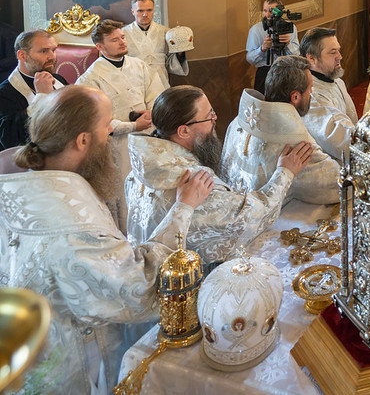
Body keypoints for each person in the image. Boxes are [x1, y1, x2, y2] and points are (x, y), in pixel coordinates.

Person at [0, 85, 212, 393]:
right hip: (70, 372)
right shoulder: (74, 225)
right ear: (82, 140)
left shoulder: (19, 187)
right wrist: (183, 207)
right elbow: (138, 285)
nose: (111, 132)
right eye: (106, 126)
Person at [126, 85, 311, 266]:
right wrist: (285, 172)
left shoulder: (138, 170)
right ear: (183, 131)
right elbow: (250, 218)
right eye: (209, 116)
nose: (215, 119)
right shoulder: (197, 183)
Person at [77, 19, 165, 231]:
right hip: (118, 145)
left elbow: (156, 92)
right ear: (100, 46)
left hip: (148, 138)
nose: (122, 42)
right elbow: (96, 118)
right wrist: (132, 126)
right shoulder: (90, 78)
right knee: (127, 194)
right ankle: (129, 235)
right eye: (114, 40)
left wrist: (152, 111)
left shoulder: (139, 65)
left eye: (122, 37)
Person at [222, 55, 340, 205]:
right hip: (270, 216)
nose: (312, 93)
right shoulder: (296, 143)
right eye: (310, 89)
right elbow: (337, 184)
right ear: (295, 97)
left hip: (233, 206)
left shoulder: (237, 122)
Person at [0, 30, 67, 150]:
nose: (52, 57)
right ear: (22, 55)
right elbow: (10, 140)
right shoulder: (4, 93)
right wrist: (42, 96)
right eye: (44, 51)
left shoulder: (58, 79)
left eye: (53, 50)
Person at [299, 27, 358, 162]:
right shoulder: (311, 96)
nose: (340, 56)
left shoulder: (337, 81)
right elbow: (339, 140)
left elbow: (351, 118)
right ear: (311, 58)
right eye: (333, 52)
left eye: (338, 50)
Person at [122, 0, 189, 89]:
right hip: (135, 85)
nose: (145, 14)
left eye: (149, 10)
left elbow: (171, 62)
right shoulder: (123, 34)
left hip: (161, 84)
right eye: (140, 11)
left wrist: (180, 52)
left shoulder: (166, 32)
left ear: (153, 10)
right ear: (133, 11)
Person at [245, 0, 300, 95]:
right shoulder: (256, 30)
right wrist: (262, 49)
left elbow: (297, 54)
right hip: (265, 73)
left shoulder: (289, 28)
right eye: (265, 11)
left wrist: (288, 44)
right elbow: (250, 59)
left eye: (271, 11)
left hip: (286, 71)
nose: (267, 14)